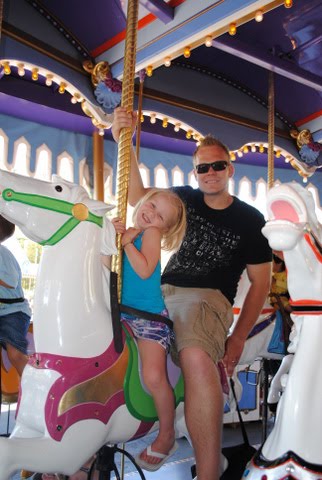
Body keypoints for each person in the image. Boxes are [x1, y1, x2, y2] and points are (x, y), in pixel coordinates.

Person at [111, 106, 272, 480]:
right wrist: (124, 137)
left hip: (206, 298)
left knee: (196, 356)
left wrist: (236, 340)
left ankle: (208, 472)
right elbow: (139, 197)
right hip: (160, 291)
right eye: (203, 168)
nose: (211, 173)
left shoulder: (250, 220)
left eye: (218, 166)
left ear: (230, 169)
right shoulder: (184, 198)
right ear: (194, 172)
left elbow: (261, 285)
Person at [111, 188, 186, 471]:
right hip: (123, 315)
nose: (151, 214)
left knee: (154, 375)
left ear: (163, 229)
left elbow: (144, 271)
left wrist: (128, 243)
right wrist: (112, 234)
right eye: (151, 205)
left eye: (159, 217)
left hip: (149, 320)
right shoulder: (131, 231)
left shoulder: (149, 235)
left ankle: (166, 435)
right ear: (142, 201)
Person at [0, 215, 32, 376]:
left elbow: (11, 281)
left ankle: (33, 384)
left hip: (13, 311)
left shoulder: (2, 252)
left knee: (15, 354)